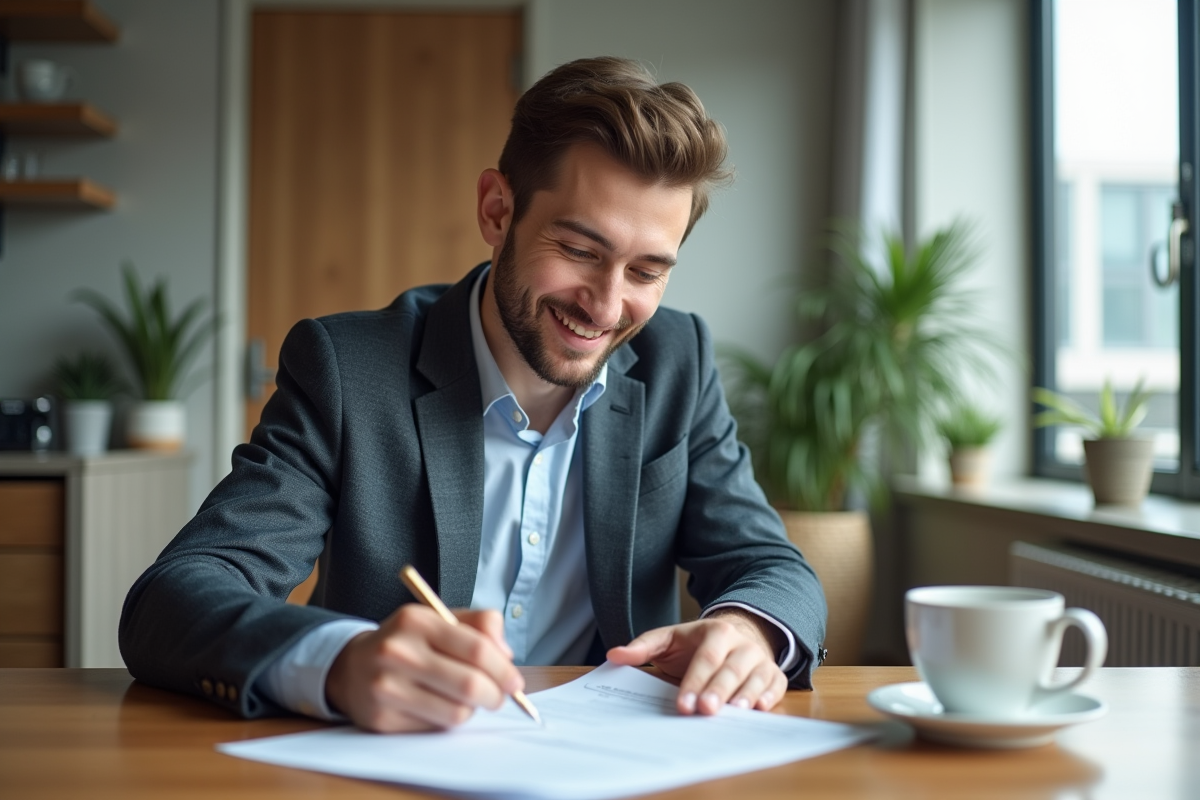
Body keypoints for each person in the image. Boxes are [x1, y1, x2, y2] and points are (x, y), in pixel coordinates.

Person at [119, 56, 826, 733]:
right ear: (496, 210)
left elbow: (768, 565)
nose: (607, 307)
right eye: (580, 251)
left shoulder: (678, 360)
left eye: (646, 270)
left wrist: (748, 628)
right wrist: (338, 661)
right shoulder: (348, 369)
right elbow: (175, 598)